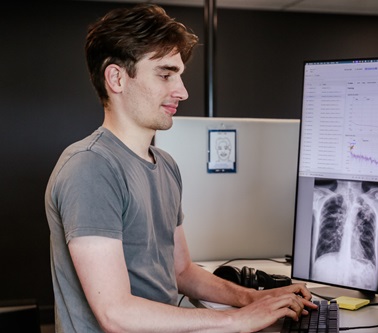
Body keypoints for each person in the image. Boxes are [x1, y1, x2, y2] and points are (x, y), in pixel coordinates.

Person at [45, 4, 316, 332]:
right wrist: (235, 319)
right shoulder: (91, 167)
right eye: (165, 74)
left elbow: (182, 271)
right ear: (116, 77)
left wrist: (252, 299)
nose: (182, 91)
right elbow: (115, 313)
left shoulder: (166, 165)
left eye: (180, 75)